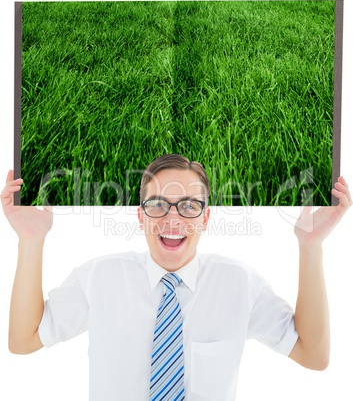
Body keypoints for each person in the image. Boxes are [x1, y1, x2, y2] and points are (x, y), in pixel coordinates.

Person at [1, 154, 352, 401]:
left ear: (206, 217)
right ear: (140, 217)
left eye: (188, 205)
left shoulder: (239, 285)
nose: (172, 219)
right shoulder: (100, 277)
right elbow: (24, 339)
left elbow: (313, 354)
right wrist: (31, 240)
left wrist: (311, 245)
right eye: (157, 204)